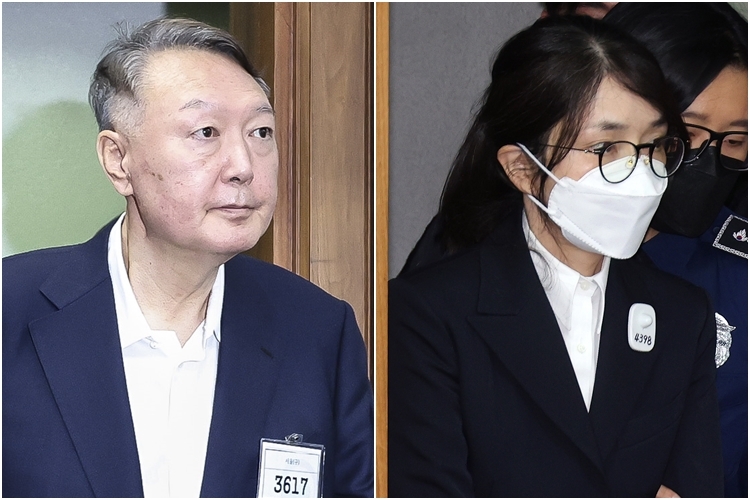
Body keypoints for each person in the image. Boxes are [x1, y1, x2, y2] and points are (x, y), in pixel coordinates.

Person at [2, 18, 373, 498]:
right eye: (206, 132)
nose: (243, 166)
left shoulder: (317, 329)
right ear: (118, 160)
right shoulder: (11, 310)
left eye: (261, 132)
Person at [389, 15, 722, 497]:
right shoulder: (429, 313)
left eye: (653, 144)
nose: (639, 171)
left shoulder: (681, 314)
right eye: (605, 147)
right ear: (523, 169)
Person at [602, 3, 748, 497]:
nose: (708, 159)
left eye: (734, 140)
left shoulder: (737, 266)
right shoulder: (497, 249)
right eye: (687, 133)